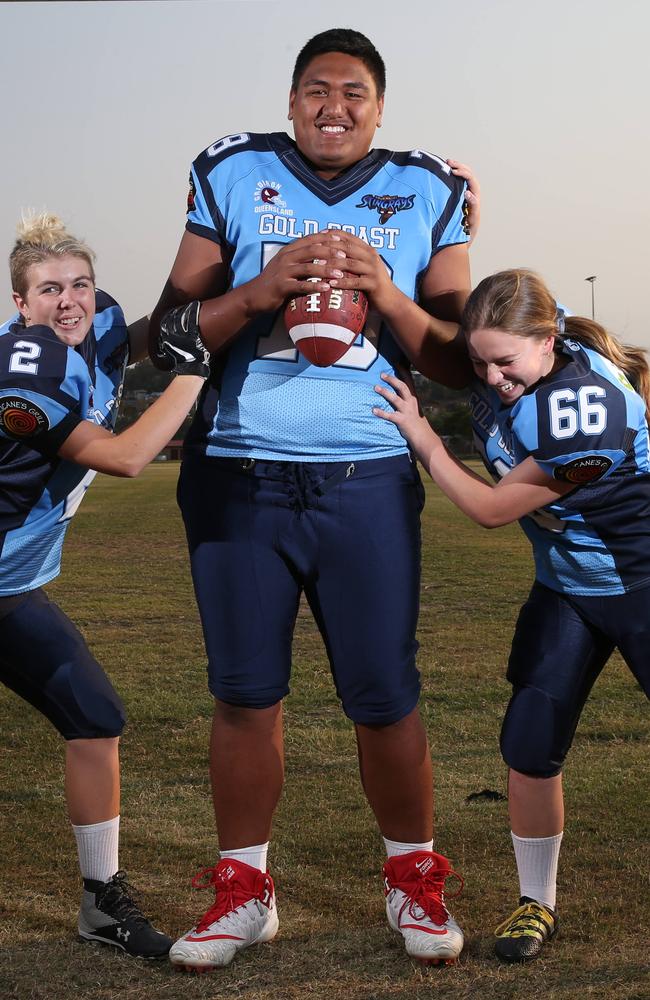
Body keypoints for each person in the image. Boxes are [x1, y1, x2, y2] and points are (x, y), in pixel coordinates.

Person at [149, 27, 480, 971]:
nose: (334, 107)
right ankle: (244, 892)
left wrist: (391, 296)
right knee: (246, 694)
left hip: (368, 473)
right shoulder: (232, 169)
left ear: (380, 106)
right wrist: (259, 292)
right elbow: (167, 331)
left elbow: (456, 359)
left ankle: (413, 882)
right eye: (316, 90)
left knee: (384, 695)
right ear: (291, 99)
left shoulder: (427, 186)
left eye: (355, 93)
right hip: (239, 472)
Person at [373, 268, 650, 962]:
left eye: (505, 361)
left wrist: (424, 439)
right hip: (568, 589)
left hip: (642, 585)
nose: (492, 376)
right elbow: (439, 319)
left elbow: (493, 510)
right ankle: (537, 902)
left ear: (548, 341)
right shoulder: (510, 359)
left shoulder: (582, 405)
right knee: (529, 743)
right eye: (480, 360)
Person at [0, 212, 210, 958]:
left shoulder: (97, 328)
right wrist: (192, 372)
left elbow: (142, 333)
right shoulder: (27, 366)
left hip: (11, 592)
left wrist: (206, 312)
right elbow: (122, 457)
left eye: (80, 284)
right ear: (20, 304)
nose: (70, 300)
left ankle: (99, 902)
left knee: (94, 716)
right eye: (48, 289)